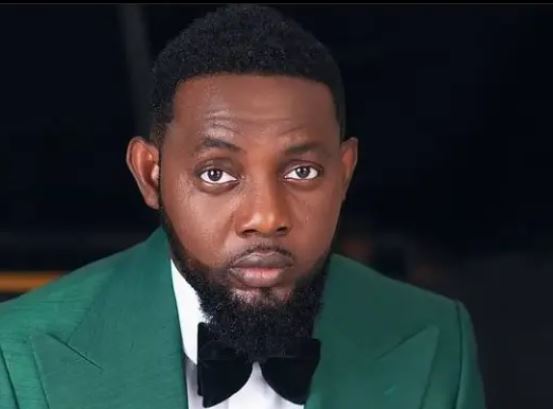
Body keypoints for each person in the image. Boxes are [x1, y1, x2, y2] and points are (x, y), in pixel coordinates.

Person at [0, 4, 486, 409]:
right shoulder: (18, 352)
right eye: (216, 174)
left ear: (344, 173)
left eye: (302, 172)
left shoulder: (437, 338)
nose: (266, 217)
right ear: (151, 175)